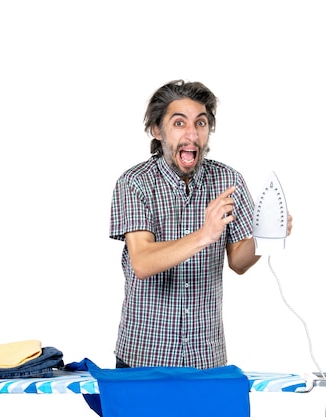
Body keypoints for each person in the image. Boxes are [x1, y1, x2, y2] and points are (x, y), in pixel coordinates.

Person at [109, 80, 293, 370]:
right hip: (143, 358)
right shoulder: (134, 183)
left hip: (206, 359)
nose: (192, 134)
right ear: (157, 130)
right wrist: (205, 235)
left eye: (201, 123)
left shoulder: (227, 180)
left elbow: (239, 263)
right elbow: (142, 262)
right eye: (179, 123)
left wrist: (265, 236)